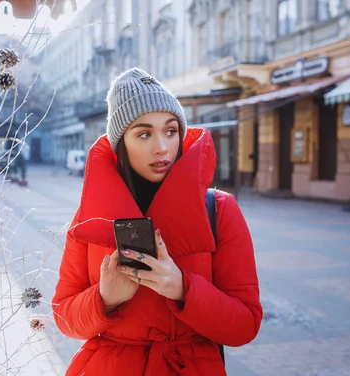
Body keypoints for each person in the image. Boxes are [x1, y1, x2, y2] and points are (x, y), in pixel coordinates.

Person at [52, 68, 262, 376]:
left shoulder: (219, 210)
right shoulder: (92, 217)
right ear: (121, 142)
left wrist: (183, 289)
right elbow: (64, 318)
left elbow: (245, 324)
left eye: (171, 131)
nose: (162, 146)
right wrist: (104, 298)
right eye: (144, 133)